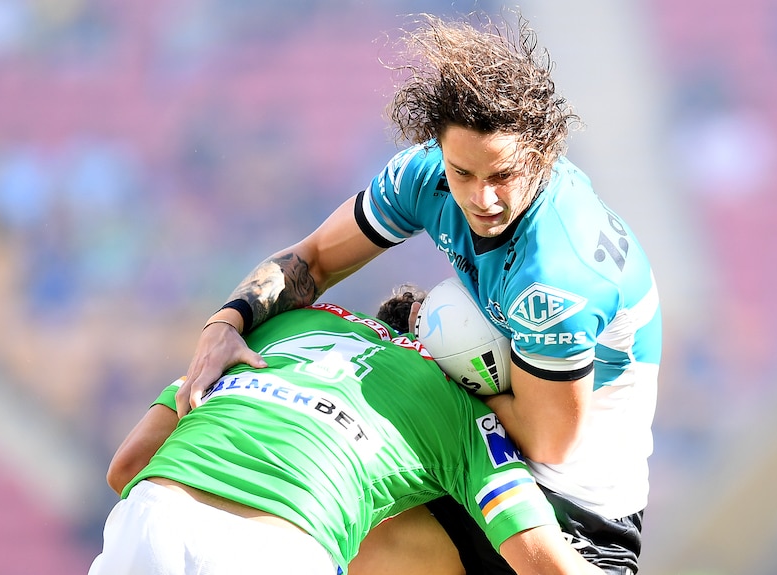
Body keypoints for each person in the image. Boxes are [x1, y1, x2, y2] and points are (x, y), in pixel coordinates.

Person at [176, 11, 661, 575]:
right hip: (470, 470)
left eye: (502, 175)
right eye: (463, 173)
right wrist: (227, 323)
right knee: (305, 517)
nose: (483, 199)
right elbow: (312, 261)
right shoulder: (424, 176)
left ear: (542, 153)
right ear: (439, 150)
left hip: (570, 514)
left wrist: (418, 372)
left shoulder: (556, 276)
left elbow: (547, 442)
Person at [90, 289, 603, 575]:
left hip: (153, 517)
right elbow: (544, 565)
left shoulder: (279, 328)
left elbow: (128, 467)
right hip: (275, 556)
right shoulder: (463, 412)